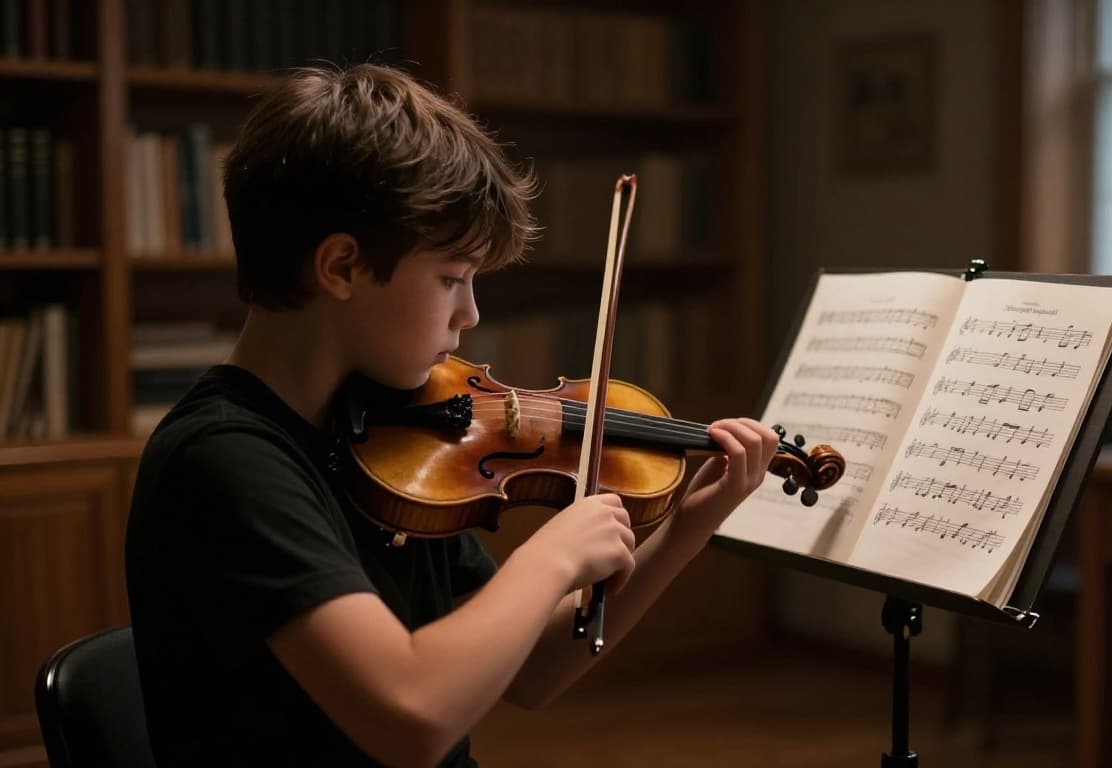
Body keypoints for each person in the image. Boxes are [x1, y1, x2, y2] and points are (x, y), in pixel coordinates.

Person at [124, 63, 780, 768]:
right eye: (450, 279)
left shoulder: (396, 438)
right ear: (341, 267)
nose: (469, 315)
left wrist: (685, 528)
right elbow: (412, 717)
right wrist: (553, 557)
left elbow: (529, 672)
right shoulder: (226, 460)